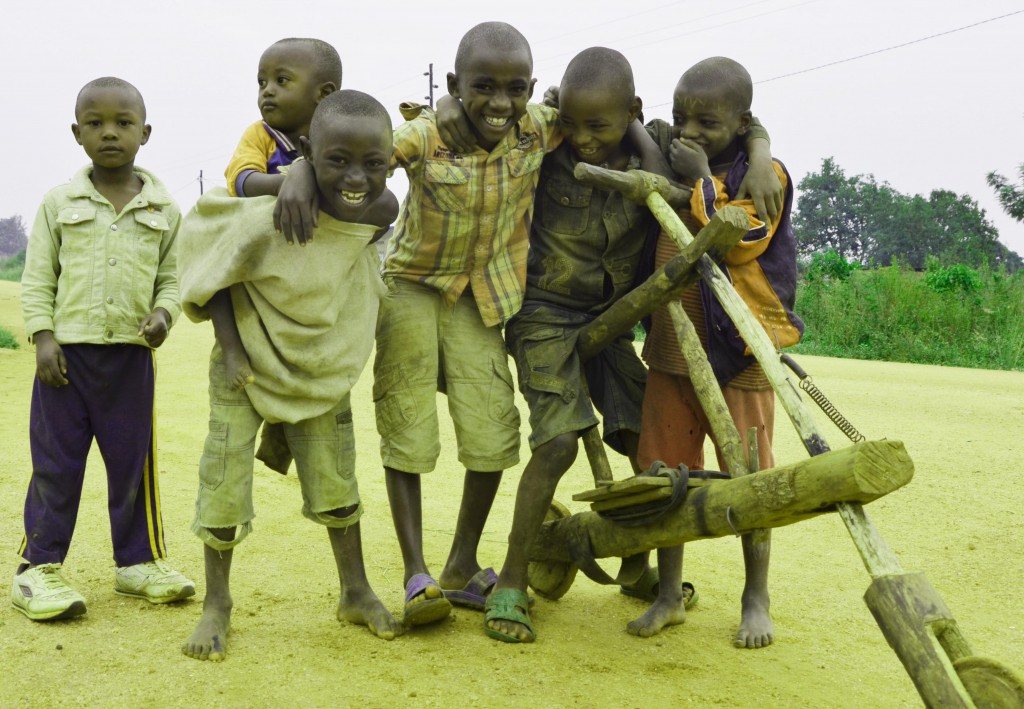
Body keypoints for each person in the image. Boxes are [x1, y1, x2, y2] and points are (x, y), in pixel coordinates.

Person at [178, 90, 403, 662]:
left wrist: (312, 177)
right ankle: (217, 603)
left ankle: (355, 590)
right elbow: (215, 268)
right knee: (223, 480)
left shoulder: (373, 212)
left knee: (335, 479)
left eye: (372, 163)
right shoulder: (263, 213)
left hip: (319, 363)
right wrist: (230, 350)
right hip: (245, 362)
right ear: (308, 150)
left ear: (391, 161)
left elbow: (384, 207)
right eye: (336, 161)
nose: (356, 176)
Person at [13, 77, 194, 621]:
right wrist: (43, 338)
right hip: (64, 363)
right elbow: (38, 277)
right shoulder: (58, 202)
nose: (109, 133)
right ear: (77, 133)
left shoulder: (164, 208)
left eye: (123, 123)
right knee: (56, 465)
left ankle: (137, 563)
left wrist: (164, 314)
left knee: (132, 465)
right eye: (95, 123)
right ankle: (37, 570)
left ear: (145, 132)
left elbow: (173, 277)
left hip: (131, 361)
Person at [637, 56, 803, 649]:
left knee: (750, 477)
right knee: (663, 475)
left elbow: (739, 242)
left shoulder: (767, 173)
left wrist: (707, 172)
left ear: (741, 122)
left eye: (706, 122)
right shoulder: (674, 152)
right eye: (682, 117)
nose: (688, 131)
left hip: (741, 357)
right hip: (672, 353)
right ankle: (668, 592)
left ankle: (755, 596)